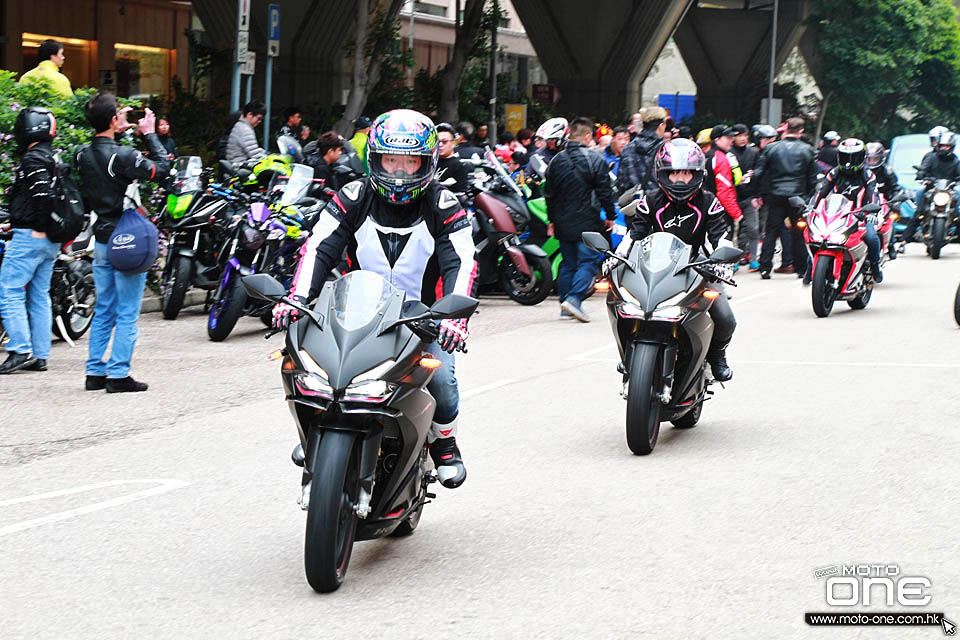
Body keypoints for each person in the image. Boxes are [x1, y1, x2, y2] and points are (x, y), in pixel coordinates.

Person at [271, 109, 476, 488]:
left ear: (427, 162)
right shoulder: (353, 195)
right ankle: (314, 431)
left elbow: (461, 261)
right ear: (375, 159)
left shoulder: (443, 204)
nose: (399, 172)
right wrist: (295, 299)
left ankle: (444, 443)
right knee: (308, 367)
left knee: (443, 379)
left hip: (423, 317)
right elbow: (319, 248)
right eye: (391, 160)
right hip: (356, 309)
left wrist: (453, 318)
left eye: (410, 162)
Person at [615, 138, 737, 381]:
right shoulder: (650, 201)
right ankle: (629, 354)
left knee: (726, 318)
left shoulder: (708, 201)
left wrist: (723, 263)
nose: (680, 179)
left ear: (697, 175)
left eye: (687, 173)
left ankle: (716, 356)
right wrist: (616, 258)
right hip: (654, 267)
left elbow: (720, 236)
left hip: (698, 267)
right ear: (662, 174)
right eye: (674, 174)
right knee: (624, 306)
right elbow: (634, 234)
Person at [75, 93, 172, 393]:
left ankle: (94, 372)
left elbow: (106, 157)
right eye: (118, 113)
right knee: (128, 310)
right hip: (128, 239)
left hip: (102, 238)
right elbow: (162, 169)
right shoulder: (124, 156)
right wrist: (150, 134)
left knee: (104, 307)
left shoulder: (81, 153)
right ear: (111, 120)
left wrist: (120, 129)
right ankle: (118, 373)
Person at [0, 108, 62, 374]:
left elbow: (43, 196)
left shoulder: (33, 159)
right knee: (39, 295)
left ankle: (20, 349)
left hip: (32, 238)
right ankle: (39, 355)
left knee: (10, 291)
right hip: (49, 240)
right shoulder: (52, 158)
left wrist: (35, 227)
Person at [544, 116, 616, 323]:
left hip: (562, 221)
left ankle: (565, 306)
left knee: (568, 263)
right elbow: (605, 192)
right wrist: (610, 216)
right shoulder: (595, 160)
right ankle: (575, 299)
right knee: (588, 261)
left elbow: (549, 194)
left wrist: (552, 220)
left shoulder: (556, 161)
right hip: (588, 220)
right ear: (587, 137)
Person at [753, 116, 818, 280]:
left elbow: (759, 173)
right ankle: (801, 268)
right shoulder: (808, 150)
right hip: (798, 196)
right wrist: (809, 198)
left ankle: (765, 267)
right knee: (799, 232)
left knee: (771, 232)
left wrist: (759, 193)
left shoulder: (771, 148)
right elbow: (812, 179)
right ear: (801, 131)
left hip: (775, 195)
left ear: (786, 128)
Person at [814, 138, 883, 282]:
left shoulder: (867, 175)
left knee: (871, 237)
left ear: (862, 157)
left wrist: (872, 213)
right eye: (846, 157)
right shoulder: (834, 172)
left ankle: (875, 265)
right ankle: (811, 268)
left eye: (854, 158)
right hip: (838, 214)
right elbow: (821, 193)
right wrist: (811, 209)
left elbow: (873, 195)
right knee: (816, 236)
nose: (849, 162)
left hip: (862, 215)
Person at [902, 129, 960, 248]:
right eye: (942, 146)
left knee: (957, 213)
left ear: (952, 147)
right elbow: (924, 168)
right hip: (931, 189)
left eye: (947, 146)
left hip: (948, 190)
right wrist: (921, 175)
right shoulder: (931, 157)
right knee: (919, 212)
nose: (944, 148)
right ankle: (903, 241)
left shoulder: (955, 160)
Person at [703, 126, 745, 235]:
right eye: (728, 137)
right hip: (719, 213)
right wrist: (738, 215)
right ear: (717, 139)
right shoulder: (721, 159)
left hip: (704, 209)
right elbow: (724, 192)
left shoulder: (706, 156)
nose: (732, 141)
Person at [617, 106, 667, 195]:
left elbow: (621, 181)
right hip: (659, 203)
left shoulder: (628, 148)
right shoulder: (666, 149)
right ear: (661, 125)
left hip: (633, 203)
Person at [731, 123, 761, 270]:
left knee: (753, 229)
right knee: (731, 232)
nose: (742, 139)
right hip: (731, 198)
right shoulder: (728, 153)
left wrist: (754, 174)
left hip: (750, 197)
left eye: (744, 135)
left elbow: (759, 171)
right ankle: (733, 261)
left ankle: (754, 259)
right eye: (738, 136)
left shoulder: (753, 153)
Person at [225, 100, 266, 166]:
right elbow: (255, 154)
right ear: (249, 114)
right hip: (241, 169)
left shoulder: (240, 125)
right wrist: (268, 158)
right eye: (259, 118)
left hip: (237, 166)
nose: (260, 121)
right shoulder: (245, 130)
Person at [435, 123, 469, 194]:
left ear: (453, 143)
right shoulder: (431, 163)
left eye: (444, 141)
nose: (440, 145)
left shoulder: (458, 165)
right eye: (437, 142)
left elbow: (461, 193)